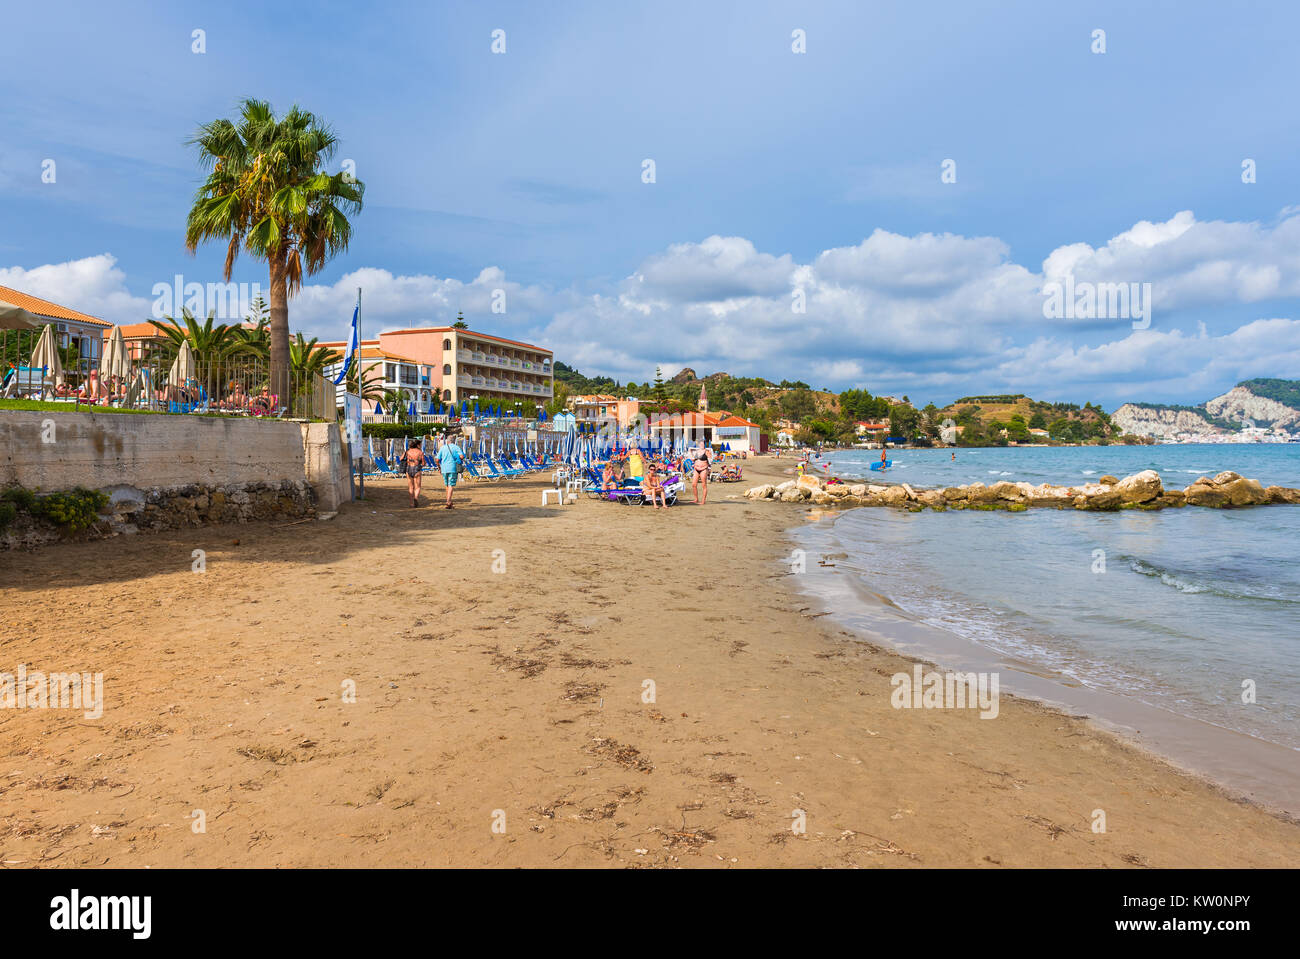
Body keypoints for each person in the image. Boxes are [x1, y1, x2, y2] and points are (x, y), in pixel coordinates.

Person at [436, 434, 464, 509]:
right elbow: (462, 456)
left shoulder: (442, 448)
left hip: (444, 469)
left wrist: (439, 467)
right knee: (451, 484)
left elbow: (437, 459)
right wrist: (457, 457)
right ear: (454, 441)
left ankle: (449, 501)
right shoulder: (456, 447)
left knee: (447, 485)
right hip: (453, 468)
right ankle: (448, 501)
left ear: (447, 441)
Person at [401, 439, 426, 508]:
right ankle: (415, 498)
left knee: (411, 487)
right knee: (417, 487)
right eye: (420, 444)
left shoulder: (407, 451)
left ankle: (411, 503)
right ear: (418, 445)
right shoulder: (420, 452)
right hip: (417, 469)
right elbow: (423, 463)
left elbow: (400, 459)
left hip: (408, 468)